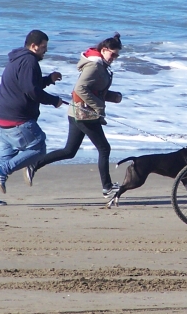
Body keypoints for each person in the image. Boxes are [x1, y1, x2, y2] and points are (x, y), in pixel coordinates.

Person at [0, 30, 64, 206]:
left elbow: (27, 83)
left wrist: (48, 79)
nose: (45, 51)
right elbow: (31, 91)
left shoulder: (18, 59)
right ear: (34, 46)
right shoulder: (29, 61)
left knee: (5, 156)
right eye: (43, 47)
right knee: (38, 148)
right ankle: (3, 171)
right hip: (15, 119)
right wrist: (54, 100)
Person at [32, 33, 124, 198]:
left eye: (117, 56)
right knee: (104, 148)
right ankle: (107, 188)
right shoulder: (95, 66)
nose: (114, 58)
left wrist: (112, 96)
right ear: (104, 50)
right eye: (112, 54)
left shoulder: (100, 64)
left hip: (77, 113)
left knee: (69, 151)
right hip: (84, 114)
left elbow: (93, 90)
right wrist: (98, 106)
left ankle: (34, 165)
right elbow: (80, 89)